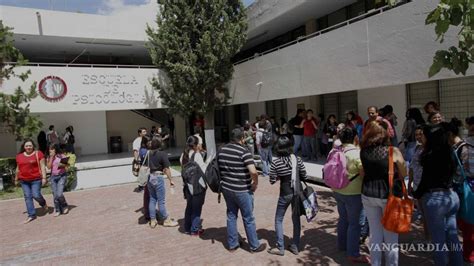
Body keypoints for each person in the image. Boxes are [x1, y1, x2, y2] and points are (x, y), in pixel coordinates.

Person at [413, 123, 463, 266]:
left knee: (438, 240)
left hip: (435, 199)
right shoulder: (450, 152)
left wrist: (415, 194)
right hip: (451, 196)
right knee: (452, 236)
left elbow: (424, 182)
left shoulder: (429, 156)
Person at [360, 120, 407, 266]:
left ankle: (376, 263)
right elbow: (403, 172)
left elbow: (363, 173)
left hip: (368, 194)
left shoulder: (363, 151)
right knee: (391, 236)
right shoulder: (393, 151)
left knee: (375, 234)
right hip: (389, 196)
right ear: (385, 134)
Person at [218, 128, 266, 253]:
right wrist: (255, 183)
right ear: (242, 138)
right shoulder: (243, 151)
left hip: (227, 188)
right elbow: (253, 171)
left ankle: (233, 244)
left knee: (231, 216)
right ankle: (254, 246)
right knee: (248, 218)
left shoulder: (222, 150)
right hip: (242, 190)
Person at [332, 127, 370, 264]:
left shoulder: (335, 151)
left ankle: (342, 245)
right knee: (355, 223)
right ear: (355, 137)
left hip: (338, 191)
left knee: (343, 218)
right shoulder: (356, 153)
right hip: (354, 193)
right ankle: (353, 253)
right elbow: (363, 173)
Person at [267, 136, 307, 256]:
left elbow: (272, 180)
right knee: (296, 219)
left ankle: (280, 247)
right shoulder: (297, 159)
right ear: (290, 147)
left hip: (285, 193)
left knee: (279, 219)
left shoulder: (276, 162)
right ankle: (295, 245)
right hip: (297, 193)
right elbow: (304, 174)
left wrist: (280, 175)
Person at [448, 118, 474, 264]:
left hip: (467, 186)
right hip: (468, 186)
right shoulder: (463, 145)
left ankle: (468, 254)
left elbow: (458, 170)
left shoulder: (462, 146)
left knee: (467, 223)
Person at [146, 136, 178, 228]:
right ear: (160, 144)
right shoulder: (162, 154)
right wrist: (171, 180)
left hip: (150, 177)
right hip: (158, 177)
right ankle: (166, 219)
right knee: (161, 201)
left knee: (152, 199)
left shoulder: (149, 153)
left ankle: (153, 220)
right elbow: (167, 169)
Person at [14, 139, 48, 224]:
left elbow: (43, 166)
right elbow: (18, 169)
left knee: (36, 195)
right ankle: (31, 215)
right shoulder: (19, 156)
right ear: (24, 147)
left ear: (33, 146)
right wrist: (16, 179)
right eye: (26, 146)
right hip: (24, 180)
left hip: (36, 179)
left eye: (30, 145)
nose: (28, 147)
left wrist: (44, 178)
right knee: (28, 197)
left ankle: (43, 203)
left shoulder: (38, 154)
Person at [180, 136, 208, 236]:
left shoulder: (183, 155)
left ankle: (187, 227)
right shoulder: (197, 155)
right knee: (197, 208)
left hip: (187, 186)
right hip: (197, 186)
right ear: (196, 145)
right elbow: (204, 170)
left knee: (189, 206)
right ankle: (195, 229)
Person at [46, 144, 69, 217]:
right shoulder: (49, 157)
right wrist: (51, 158)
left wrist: (63, 164)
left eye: (52, 149)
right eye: (50, 149)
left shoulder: (62, 156)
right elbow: (49, 167)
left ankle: (64, 205)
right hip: (53, 177)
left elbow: (65, 167)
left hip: (62, 176)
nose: (50, 150)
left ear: (56, 149)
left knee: (59, 194)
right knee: (55, 195)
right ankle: (58, 210)